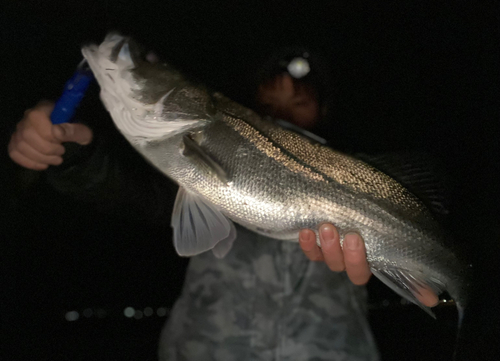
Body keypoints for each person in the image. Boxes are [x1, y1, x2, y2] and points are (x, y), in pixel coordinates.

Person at [8, 47, 437, 361]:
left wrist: (426, 276)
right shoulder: (199, 157)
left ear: (325, 112)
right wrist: (75, 152)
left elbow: (416, 255)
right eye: (267, 106)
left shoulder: (357, 176)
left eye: (299, 105)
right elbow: (131, 192)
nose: (280, 117)